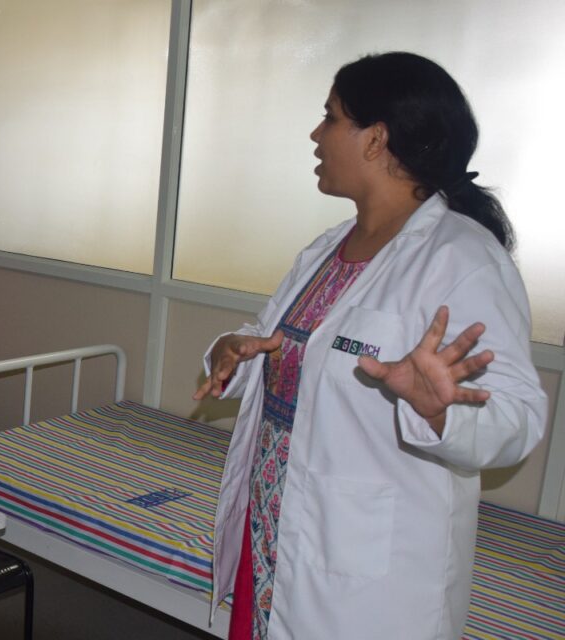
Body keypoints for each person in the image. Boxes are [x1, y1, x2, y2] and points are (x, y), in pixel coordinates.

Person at [193, 53, 547, 640]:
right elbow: (279, 342)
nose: (316, 134)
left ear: (377, 139)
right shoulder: (329, 248)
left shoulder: (462, 258)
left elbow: (518, 417)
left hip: (369, 579)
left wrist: (440, 412)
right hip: (274, 531)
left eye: (330, 117)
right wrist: (234, 350)